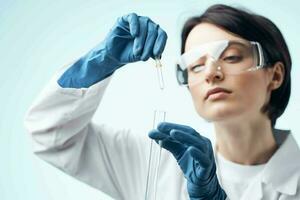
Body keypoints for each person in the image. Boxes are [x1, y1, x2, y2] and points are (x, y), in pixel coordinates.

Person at [24, 4, 300, 200]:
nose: (212, 73)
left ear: (275, 75)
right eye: (195, 65)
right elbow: (50, 136)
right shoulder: (156, 163)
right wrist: (99, 63)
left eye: (230, 57)